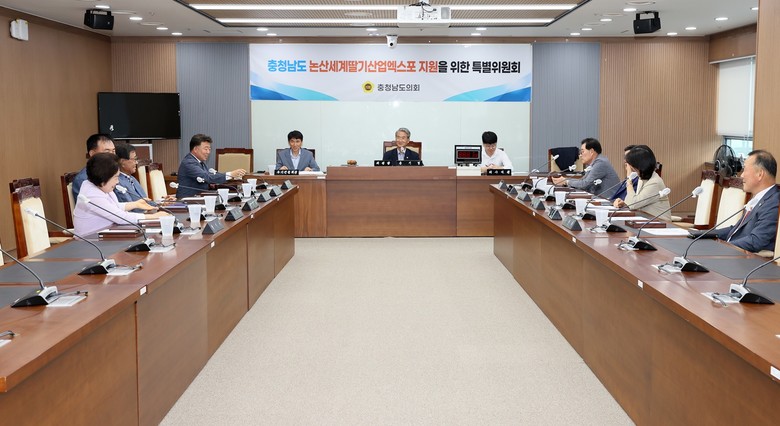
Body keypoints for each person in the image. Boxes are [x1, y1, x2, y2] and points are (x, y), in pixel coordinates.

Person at [701, 150, 779, 253]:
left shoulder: (774, 203)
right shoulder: (759, 198)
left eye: (745, 170)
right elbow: (736, 230)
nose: (741, 175)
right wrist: (702, 234)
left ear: (760, 174)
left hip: (744, 259)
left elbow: (756, 241)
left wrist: (722, 247)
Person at [73, 153, 169, 236]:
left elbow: (112, 207)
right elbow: (121, 217)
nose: (117, 181)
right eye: (116, 177)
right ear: (104, 177)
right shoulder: (91, 195)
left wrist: (135, 204)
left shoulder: (101, 185)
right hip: (91, 241)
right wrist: (153, 217)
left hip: (106, 235)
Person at [176, 134, 247, 198]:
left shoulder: (200, 162)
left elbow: (210, 178)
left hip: (199, 198)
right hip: (187, 201)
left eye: (209, 149)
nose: (208, 152)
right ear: (195, 149)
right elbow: (207, 177)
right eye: (205, 149)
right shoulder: (189, 162)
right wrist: (231, 174)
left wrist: (232, 177)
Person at [613, 146, 671, 220]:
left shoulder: (654, 182)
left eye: (630, 165)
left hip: (659, 223)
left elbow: (633, 204)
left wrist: (629, 180)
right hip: (645, 220)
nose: (630, 168)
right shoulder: (642, 178)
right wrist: (624, 204)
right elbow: (637, 202)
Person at [552, 138, 620, 197]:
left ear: (591, 152)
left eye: (582, 152)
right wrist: (564, 181)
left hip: (609, 201)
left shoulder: (600, 163)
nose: (580, 155)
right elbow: (582, 181)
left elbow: (585, 184)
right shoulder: (594, 163)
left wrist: (566, 181)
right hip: (599, 200)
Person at [72, 134, 116, 201]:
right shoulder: (83, 180)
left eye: (113, 151)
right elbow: (95, 205)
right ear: (92, 153)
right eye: (107, 152)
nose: (112, 155)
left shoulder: (112, 172)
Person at [113, 143, 149, 210]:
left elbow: (146, 201)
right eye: (134, 159)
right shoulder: (117, 182)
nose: (136, 162)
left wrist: (161, 204)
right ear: (122, 162)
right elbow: (131, 208)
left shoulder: (132, 178)